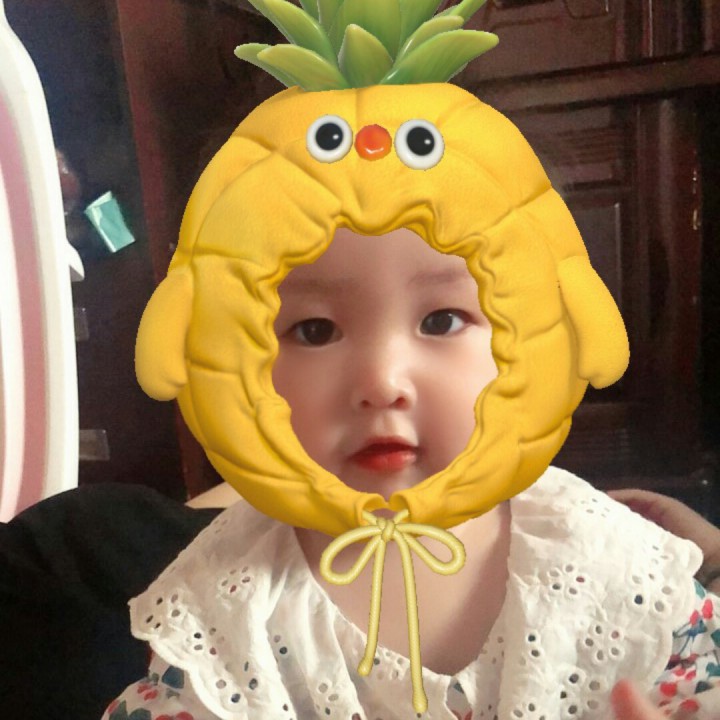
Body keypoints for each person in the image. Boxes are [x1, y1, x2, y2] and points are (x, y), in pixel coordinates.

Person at [103, 227, 720, 720]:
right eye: (314, 330)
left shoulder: (608, 559)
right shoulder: (225, 607)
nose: (382, 381)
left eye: (442, 320)